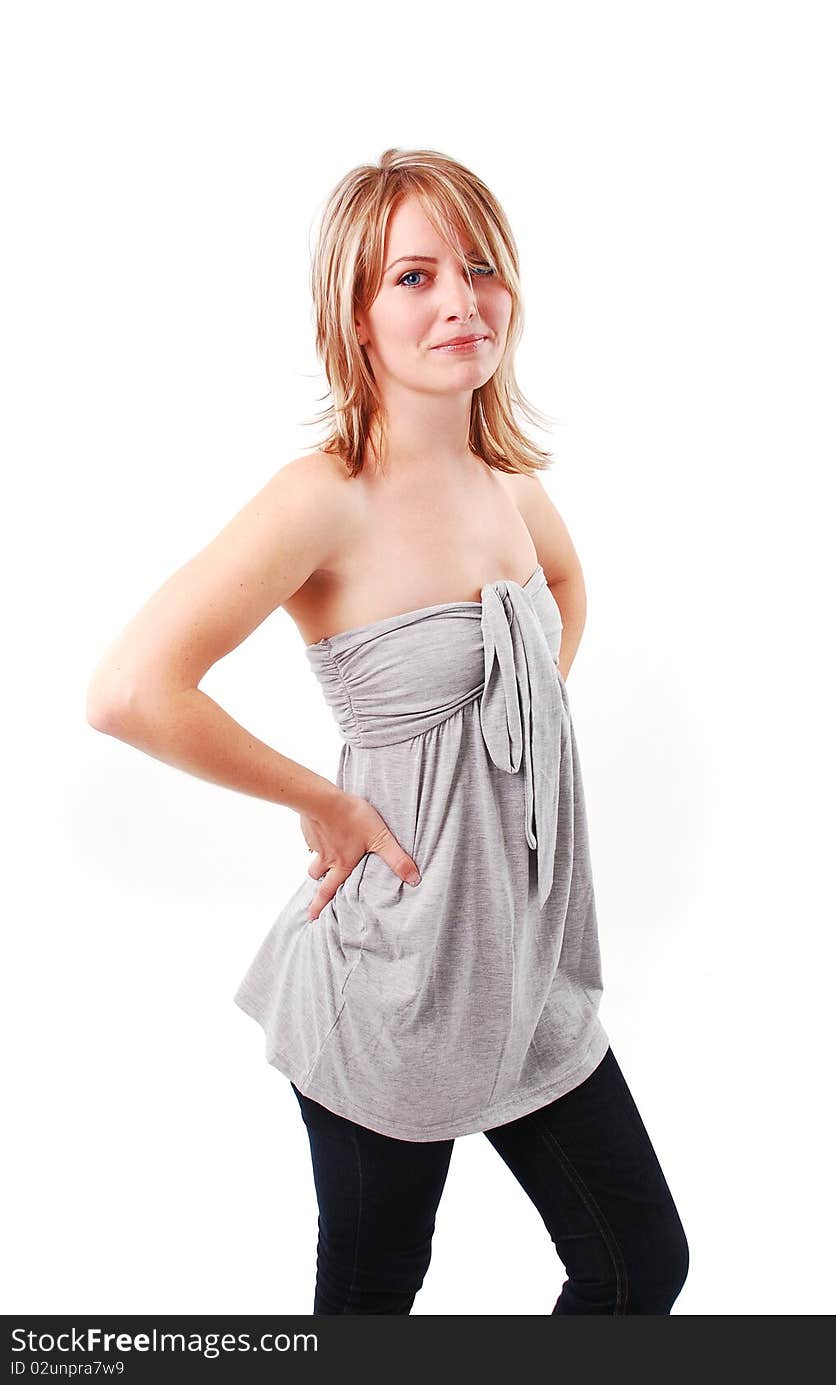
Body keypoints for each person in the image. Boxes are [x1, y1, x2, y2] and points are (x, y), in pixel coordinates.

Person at [86, 146, 689, 1314]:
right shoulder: (325, 495)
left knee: (636, 1264)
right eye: (413, 276)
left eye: (477, 266)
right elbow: (129, 689)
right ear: (355, 316)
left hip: (524, 967)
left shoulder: (506, 480)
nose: (460, 301)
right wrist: (330, 802)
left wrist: (519, 722)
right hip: (391, 974)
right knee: (371, 1304)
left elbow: (563, 588)